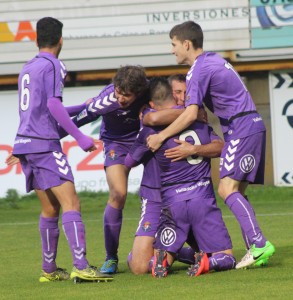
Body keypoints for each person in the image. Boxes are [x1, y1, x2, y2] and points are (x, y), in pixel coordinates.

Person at [146, 21, 275, 269]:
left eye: (173, 45)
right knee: (237, 190)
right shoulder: (214, 60)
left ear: (186, 44)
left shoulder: (198, 70)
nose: (172, 50)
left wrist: (161, 137)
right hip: (252, 125)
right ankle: (254, 249)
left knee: (226, 189)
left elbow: (191, 113)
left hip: (241, 129)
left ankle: (259, 244)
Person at [10, 17, 113, 283]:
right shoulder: (54, 64)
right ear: (60, 40)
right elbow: (54, 106)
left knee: (50, 209)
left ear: (36, 40)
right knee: (72, 203)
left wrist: (83, 107)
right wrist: (79, 137)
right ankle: (81, 265)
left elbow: (42, 107)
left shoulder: (28, 67)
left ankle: (49, 270)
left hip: (25, 143)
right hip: (44, 145)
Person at [126, 77, 235, 278]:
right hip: (160, 196)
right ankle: (192, 256)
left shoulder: (193, 119)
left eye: (186, 93)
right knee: (139, 266)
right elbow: (153, 120)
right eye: (177, 92)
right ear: (169, 94)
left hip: (176, 198)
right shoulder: (186, 118)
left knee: (147, 263)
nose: (182, 98)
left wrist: (194, 148)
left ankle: (176, 255)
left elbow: (129, 161)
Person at [64, 65, 149, 274]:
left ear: (138, 92)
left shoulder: (150, 91)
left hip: (145, 140)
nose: (120, 98)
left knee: (167, 189)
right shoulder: (106, 100)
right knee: (118, 194)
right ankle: (111, 257)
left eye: (126, 95)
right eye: (118, 91)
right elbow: (75, 122)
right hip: (116, 144)